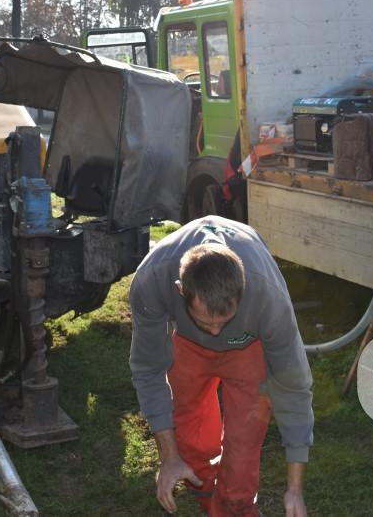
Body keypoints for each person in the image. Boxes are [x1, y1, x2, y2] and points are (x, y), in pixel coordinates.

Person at [129, 216, 313, 516]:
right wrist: (169, 456)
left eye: (223, 321)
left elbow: (293, 388)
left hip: (247, 346)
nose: (215, 332)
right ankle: (211, 502)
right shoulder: (152, 280)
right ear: (180, 291)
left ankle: (236, 503)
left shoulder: (267, 296)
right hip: (187, 345)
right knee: (190, 445)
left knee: (241, 461)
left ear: (243, 291)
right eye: (205, 321)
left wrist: (294, 490)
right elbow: (148, 370)